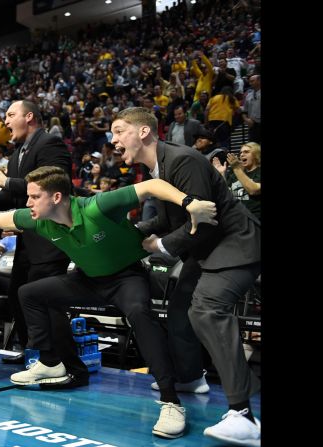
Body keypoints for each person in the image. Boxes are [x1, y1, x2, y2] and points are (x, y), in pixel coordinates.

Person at [0, 166, 217, 438]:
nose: (28, 202)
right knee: (30, 293)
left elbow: (150, 186)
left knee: (139, 314)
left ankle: (171, 402)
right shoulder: (38, 219)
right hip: (88, 280)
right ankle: (49, 362)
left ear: (56, 198)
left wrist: (188, 203)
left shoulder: (97, 206)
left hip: (126, 277)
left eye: (34, 196)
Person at [111, 107, 261, 445]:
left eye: (119, 131)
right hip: (207, 249)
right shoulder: (157, 170)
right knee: (180, 304)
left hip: (236, 245)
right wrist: (134, 233)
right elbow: (168, 221)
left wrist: (160, 245)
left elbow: (204, 222)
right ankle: (191, 376)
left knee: (206, 308)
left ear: (144, 132)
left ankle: (244, 416)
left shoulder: (184, 160)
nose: (114, 140)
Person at [0, 100, 72, 364]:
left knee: (46, 302)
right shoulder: (16, 155)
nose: (6, 121)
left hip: (50, 240)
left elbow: (54, 184)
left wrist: (6, 182)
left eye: (11, 115)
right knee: (17, 297)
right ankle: (33, 353)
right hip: (27, 241)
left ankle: (57, 359)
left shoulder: (50, 144)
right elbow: (16, 199)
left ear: (30, 117)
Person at [213, 142, 261, 221]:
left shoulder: (256, 172)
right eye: (241, 152)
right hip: (235, 219)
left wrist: (236, 168)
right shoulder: (235, 174)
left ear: (256, 154)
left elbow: (253, 190)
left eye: (246, 152)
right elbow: (226, 194)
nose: (242, 155)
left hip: (254, 221)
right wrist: (221, 174)